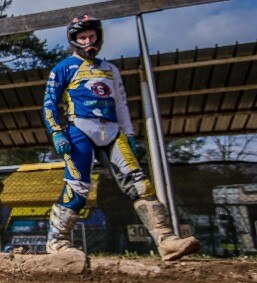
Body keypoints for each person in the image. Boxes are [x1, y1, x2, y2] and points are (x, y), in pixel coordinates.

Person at [43, 15, 199, 262]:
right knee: (78, 187)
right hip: (79, 131)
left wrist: (130, 135)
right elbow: (49, 104)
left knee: (140, 184)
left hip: (113, 132)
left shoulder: (111, 70)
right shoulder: (63, 68)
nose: (87, 41)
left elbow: (121, 104)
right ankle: (56, 241)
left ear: (99, 37)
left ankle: (166, 240)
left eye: (91, 36)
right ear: (73, 40)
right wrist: (57, 133)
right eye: (82, 37)